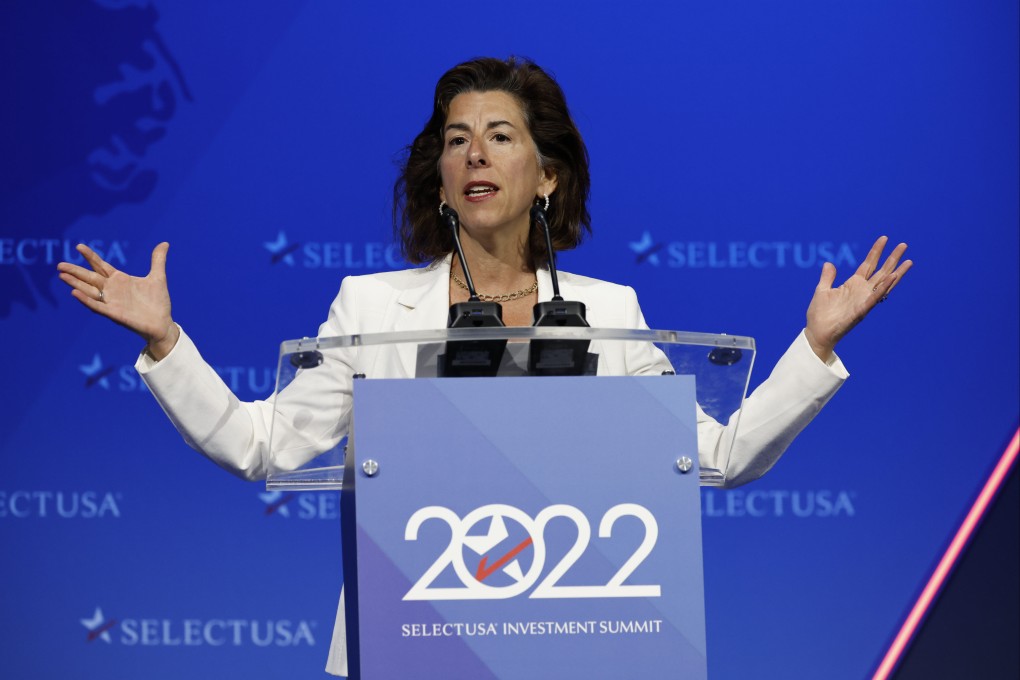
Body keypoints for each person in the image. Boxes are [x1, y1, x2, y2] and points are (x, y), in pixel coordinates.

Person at [57, 57, 912, 676]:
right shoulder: (372, 308)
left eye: (500, 137)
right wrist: (166, 342)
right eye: (457, 141)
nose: (475, 154)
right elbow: (264, 445)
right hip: (408, 645)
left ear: (547, 178)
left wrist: (814, 348)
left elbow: (717, 458)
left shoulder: (610, 312)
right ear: (439, 183)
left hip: (577, 644)